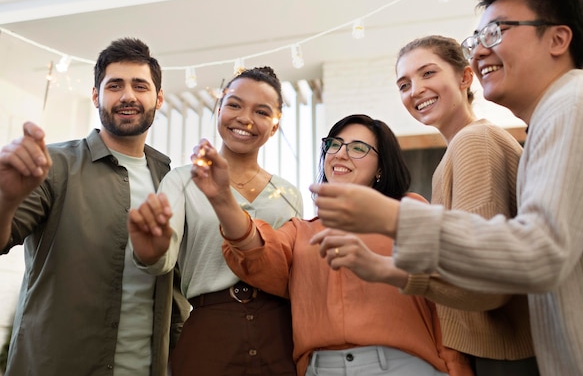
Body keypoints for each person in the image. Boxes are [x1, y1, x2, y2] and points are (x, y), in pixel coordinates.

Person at [310, 0, 583, 376]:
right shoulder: (552, 118)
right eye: (476, 39)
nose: (479, 51)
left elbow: (524, 262)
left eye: (496, 32)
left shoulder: (564, 110)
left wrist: (392, 219)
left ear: (558, 38)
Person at [134, 114, 475, 376]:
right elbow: (257, 253)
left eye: (358, 148)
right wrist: (223, 198)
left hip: (404, 365)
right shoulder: (301, 231)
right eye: (335, 144)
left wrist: (456, 365)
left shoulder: (407, 211)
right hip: (320, 368)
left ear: (381, 167)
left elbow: (446, 302)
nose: (342, 154)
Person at [313, 36, 538, 376]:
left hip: (505, 355)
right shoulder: (461, 150)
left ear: (465, 78)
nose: (415, 90)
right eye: (404, 84)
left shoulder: (473, 142)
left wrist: (383, 269)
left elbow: (483, 276)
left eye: (428, 73)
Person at [0, 37, 189, 376]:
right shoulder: (53, 165)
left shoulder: (171, 183)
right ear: (95, 96)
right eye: (114, 85)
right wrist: (6, 197)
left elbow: (175, 297)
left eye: (140, 86)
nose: (128, 95)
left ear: (158, 98)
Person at [128, 66, 303, 376]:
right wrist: (150, 249)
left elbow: (298, 276)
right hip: (210, 333)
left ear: (275, 126)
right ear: (219, 109)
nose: (245, 118)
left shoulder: (287, 194)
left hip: (280, 333)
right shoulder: (182, 180)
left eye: (262, 111)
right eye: (234, 105)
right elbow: (162, 261)